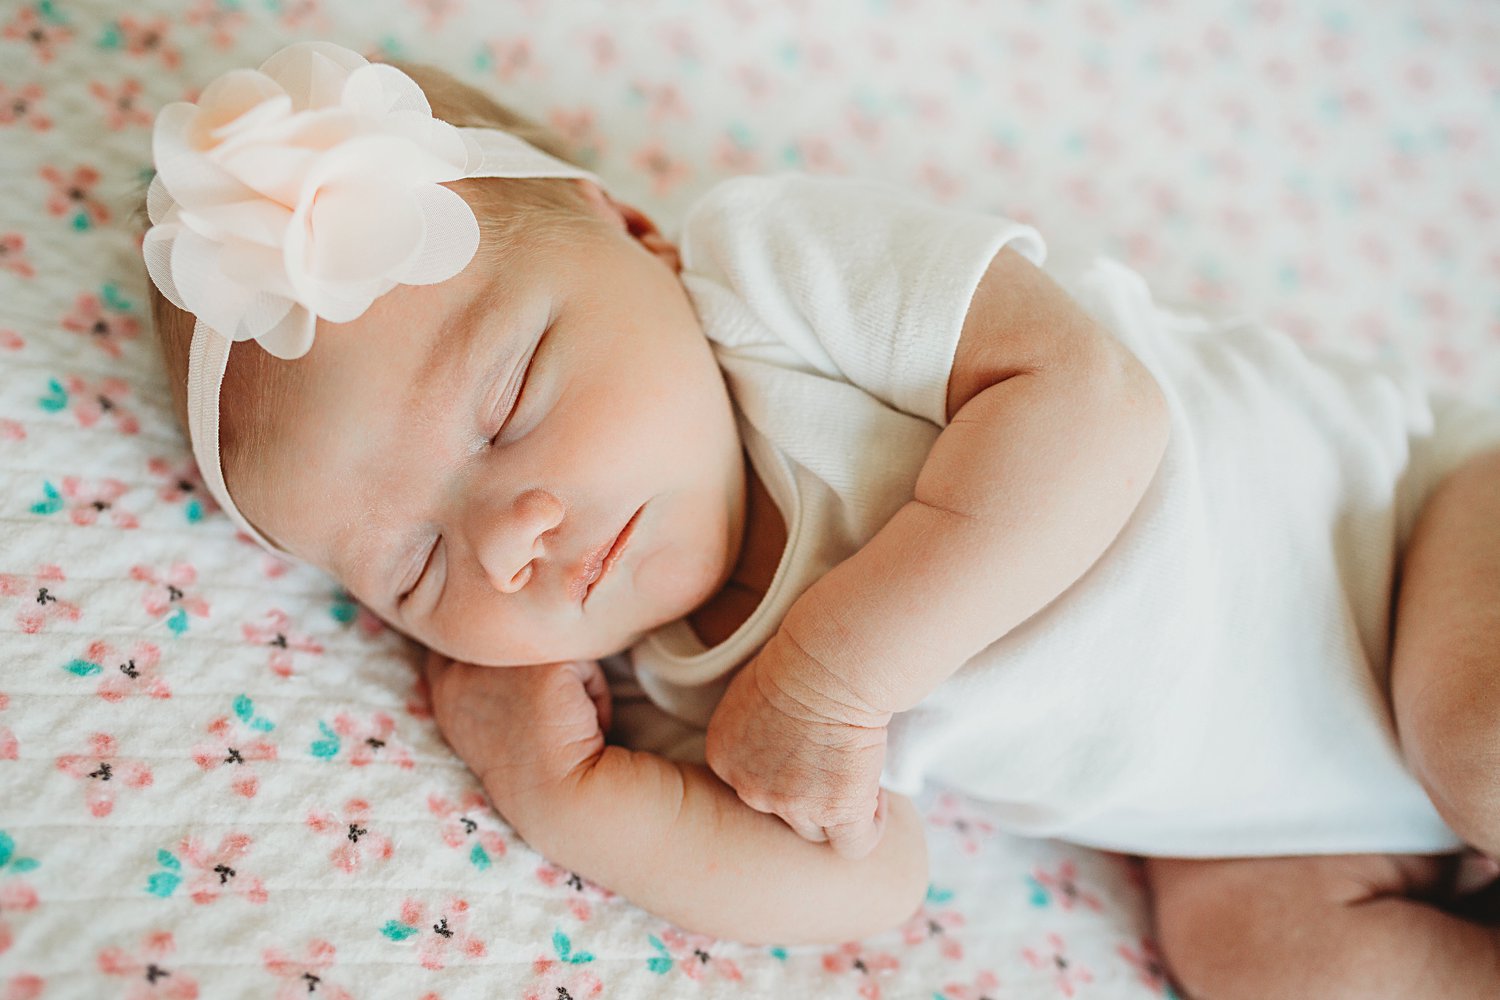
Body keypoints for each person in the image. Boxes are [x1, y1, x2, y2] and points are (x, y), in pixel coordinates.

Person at [141, 41, 1500, 997]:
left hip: (1421, 538)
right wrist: (564, 791)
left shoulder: (778, 277)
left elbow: (1092, 403)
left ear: (636, 235)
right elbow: (866, 881)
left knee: (1479, 740)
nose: (515, 534)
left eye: (509, 405)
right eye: (418, 564)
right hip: (1289, 829)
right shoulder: (672, 678)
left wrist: (836, 675)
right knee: (1270, 965)